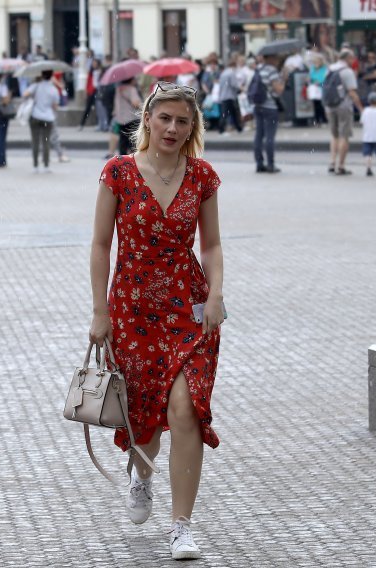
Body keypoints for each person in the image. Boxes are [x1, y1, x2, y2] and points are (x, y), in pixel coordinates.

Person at [89, 81, 224, 561]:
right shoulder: (119, 173)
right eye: (164, 117)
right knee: (144, 412)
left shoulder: (203, 176)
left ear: (193, 127)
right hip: (131, 308)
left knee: (185, 407)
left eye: (182, 121)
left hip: (188, 304)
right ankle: (140, 475)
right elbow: (102, 244)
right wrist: (99, 310)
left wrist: (217, 294)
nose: (172, 128)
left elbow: (210, 244)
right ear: (147, 119)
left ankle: (182, 525)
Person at [325, 49, 363, 175]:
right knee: (344, 136)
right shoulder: (347, 71)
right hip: (343, 105)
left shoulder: (330, 69)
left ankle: (332, 162)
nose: (353, 61)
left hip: (330, 105)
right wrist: (361, 109)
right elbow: (352, 92)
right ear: (348, 58)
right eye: (352, 59)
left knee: (334, 135)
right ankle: (341, 166)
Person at [252, 54, 286, 173]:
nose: (277, 60)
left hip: (258, 106)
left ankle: (259, 163)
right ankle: (271, 164)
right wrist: (284, 79)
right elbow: (279, 89)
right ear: (271, 58)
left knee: (258, 136)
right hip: (270, 107)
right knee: (269, 137)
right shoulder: (272, 71)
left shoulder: (258, 69)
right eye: (276, 58)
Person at [23, 71, 60, 173]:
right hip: (48, 118)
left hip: (35, 116)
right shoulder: (53, 89)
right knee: (46, 142)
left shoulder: (36, 86)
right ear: (51, 76)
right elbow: (55, 106)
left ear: (42, 75)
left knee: (35, 142)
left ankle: (35, 166)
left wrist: (34, 98)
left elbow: (25, 94)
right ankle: (46, 166)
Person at [113, 77, 142, 155]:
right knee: (133, 141)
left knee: (123, 140)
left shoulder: (118, 89)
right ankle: (131, 160)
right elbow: (135, 103)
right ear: (131, 80)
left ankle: (122, 159)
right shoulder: (132, 89)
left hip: (121, 119)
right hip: (131, 118)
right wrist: (142, 105)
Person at [217, 55, 242, 134]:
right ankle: (221, 129)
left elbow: (220, 85)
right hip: (230, 96)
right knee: (227, 114)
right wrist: (241, 88)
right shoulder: (231, 73)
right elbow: (234, 84)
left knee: (232, 113)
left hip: (224, 96)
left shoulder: (223, 73)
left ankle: (239, 128)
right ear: (234, 65)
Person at [308, 54, 328, 127]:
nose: (316, 63)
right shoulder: (312, 69)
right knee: (315, 105)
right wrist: (311, 81)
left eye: (317, 61)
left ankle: (324, 120)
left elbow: (326, 82)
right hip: (314, 89)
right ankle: (317, 120)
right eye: (315, 61)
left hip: (322, 88)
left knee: (321, 105)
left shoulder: (325, 69)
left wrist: (320, 83)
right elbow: (310, 79)